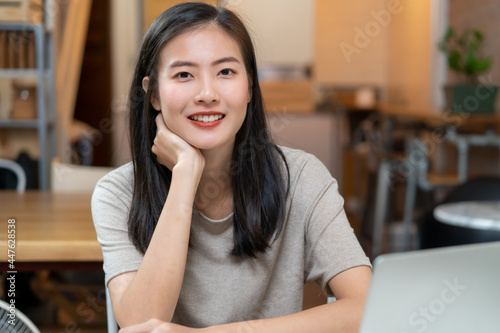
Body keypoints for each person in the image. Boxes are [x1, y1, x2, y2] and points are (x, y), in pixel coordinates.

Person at [92, 2, 372, 332]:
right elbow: (141, 324)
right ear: (153, 94)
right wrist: (185, 174)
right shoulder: (117, 194)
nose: (207, 94)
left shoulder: (301, 178)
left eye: (225, 72)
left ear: (250, 86)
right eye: (184, 74)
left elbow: (367, 309)